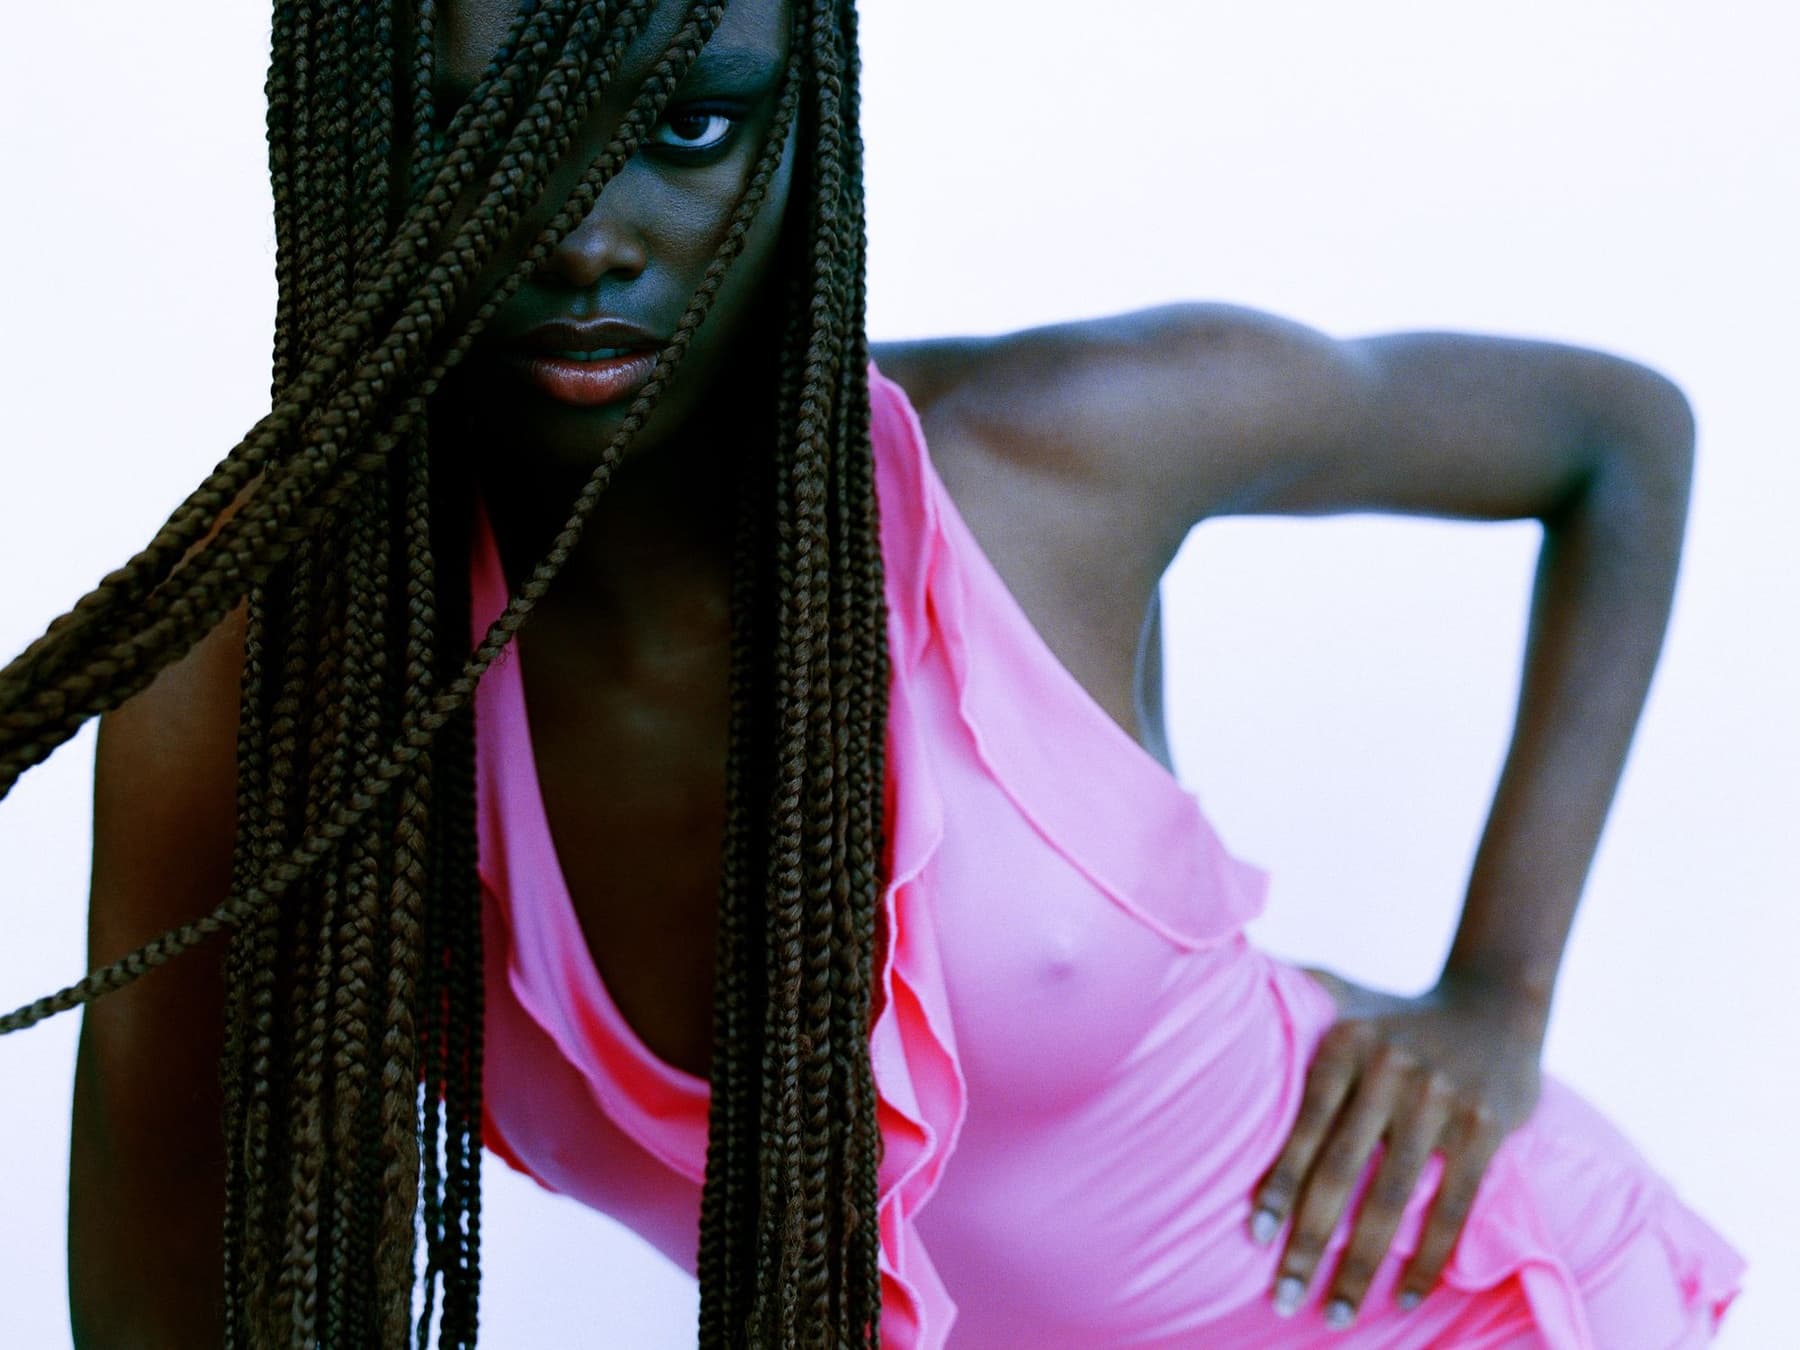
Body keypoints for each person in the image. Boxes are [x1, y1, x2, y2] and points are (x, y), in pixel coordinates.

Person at [0, 0, 1744, 1345]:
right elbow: (158, 1302)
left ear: (806, 116)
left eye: (691, 123)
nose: (587, 235)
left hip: (1466, 1305)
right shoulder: (270, 673)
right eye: (479, 133)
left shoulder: (1044, 463)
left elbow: (1619, 444)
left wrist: (1498, 996)